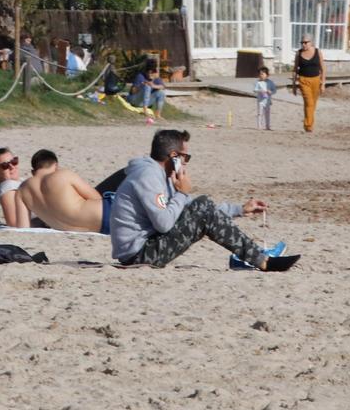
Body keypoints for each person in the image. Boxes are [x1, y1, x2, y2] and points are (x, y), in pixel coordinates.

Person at [109, 130, 301, 271]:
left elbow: (196, 210)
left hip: (145, 246)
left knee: (203, 205)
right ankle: (262, 260)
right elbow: (164, 224)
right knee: (202, 205)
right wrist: (182, 193)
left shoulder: (161, 175)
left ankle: (258, 257)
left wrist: (240, 209)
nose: (186, 163)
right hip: (138, 255)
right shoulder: (148, 176)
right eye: (186, 157)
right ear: (174, 156)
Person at [17, 150, 110, 234]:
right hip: (107, 214)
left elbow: (23, 227)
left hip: (94, 229)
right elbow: (96, 197)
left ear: (33, 171)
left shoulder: (22, 190)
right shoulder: (63, 174)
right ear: (56, 166)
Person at [0, 148, 29, 228]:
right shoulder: (7, 187)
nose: (12, 167)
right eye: (5, 166)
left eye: (14, 161)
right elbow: (14, 224)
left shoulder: (21, 182)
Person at [292, 34, 326, 133]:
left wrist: (323, 83)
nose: (304, 45)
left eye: (306, 42)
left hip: (316, 80)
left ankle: (309, 122)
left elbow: (323, 68)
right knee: (309, 102)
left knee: (312, 104)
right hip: (303, 80)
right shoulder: (299, 53)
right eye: (302, 43)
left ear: (311, 43)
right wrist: (294, 85)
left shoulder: (317, 51)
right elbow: (295, 69)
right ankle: (308, 126)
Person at [254, 66, 276, 131]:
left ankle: (267, 126)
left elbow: (274, 90)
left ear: (267, 75)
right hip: (260, 101)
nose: (261, 75)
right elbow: (255, 90)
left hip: (268, 101)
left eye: (262, 74)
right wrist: (260, 91)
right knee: (260, 113)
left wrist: (270, 92)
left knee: (267, 114)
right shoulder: (258, 82)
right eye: (260, 74)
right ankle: (259, 126)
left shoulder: (270, 82)